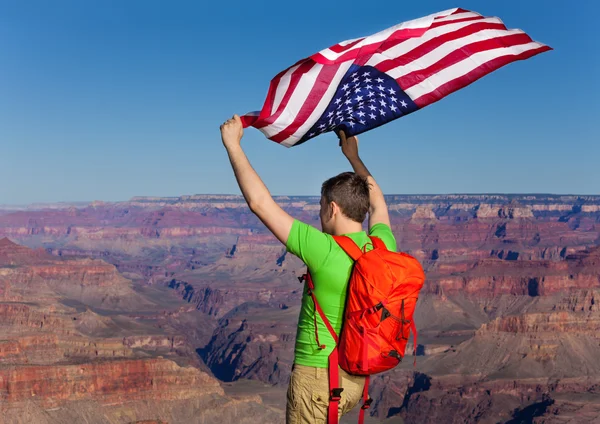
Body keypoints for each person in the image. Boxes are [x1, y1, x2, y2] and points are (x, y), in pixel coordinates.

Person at [220, 115, 397, 424]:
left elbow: (260, 203)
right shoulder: (383, 245)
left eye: (320, 207)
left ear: (332, 208)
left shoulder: (324, 249)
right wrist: (353, 157)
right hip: (357, 378)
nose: (318, 214)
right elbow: (379, 204)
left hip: (319, 378)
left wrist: (233, 145)